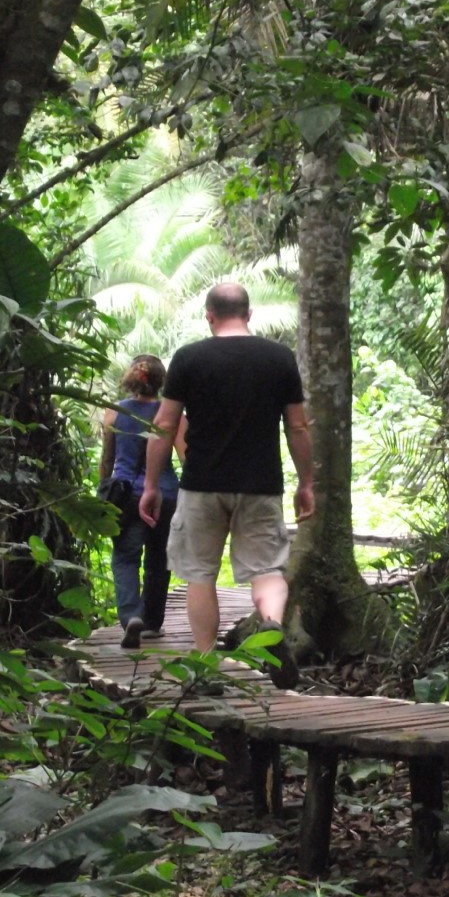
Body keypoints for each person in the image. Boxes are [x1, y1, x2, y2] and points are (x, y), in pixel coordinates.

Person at [138, 282, 314, 689]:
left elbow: (163, 425)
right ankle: (271, 625)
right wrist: (307, 482)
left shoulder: (189, 358)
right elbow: (298, 425)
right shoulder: (279, 358)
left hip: (202, 483)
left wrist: (150, 484)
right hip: (261, 483)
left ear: (209, 316)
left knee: (200, 574)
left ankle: (204, 666)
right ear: (249, 314)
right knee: (267, 570)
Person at [99, 354, 179, 649]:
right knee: (159, 559)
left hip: (124, 494)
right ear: (162, 382)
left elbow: (107, 458)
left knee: (125, 556)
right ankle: (152, 622)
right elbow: (185, 455)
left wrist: (103, 491)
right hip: (165, 493)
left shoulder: (114, 412)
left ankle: (131, 615)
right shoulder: (171, 414)